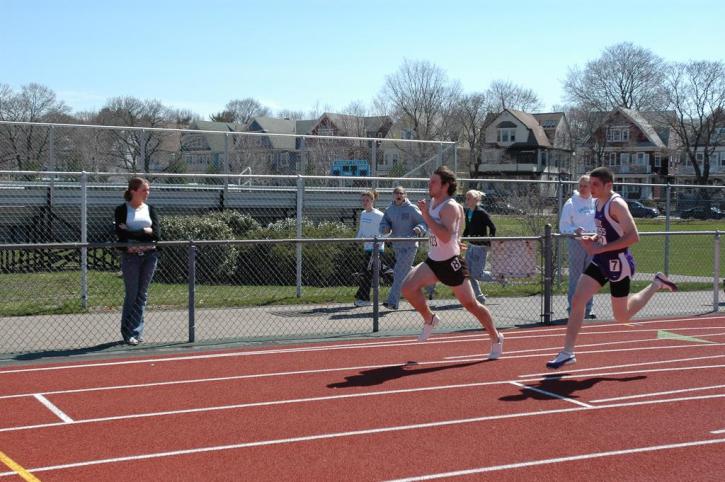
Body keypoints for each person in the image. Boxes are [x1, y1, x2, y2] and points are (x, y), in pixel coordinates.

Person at [547, 167, 677, 369]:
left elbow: (633, 236)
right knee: (577, 299)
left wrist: (601, 248)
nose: (591, 188)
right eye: (589, 184)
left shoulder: (616, 204)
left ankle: (655, 284)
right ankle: (567, 352)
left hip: (619, 263)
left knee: (621, 316)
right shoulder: (597, 202)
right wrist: (594, 238)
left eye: (595, 185)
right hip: (601, 260)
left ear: (609, 185)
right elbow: (606, 231)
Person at [401, 166, 504, 359]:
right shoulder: (433, 202)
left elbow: (445, 235)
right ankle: (430, 319)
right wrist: (457, 239)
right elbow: (455, 230)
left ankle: (496, 337)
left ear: (446, 186)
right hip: (433, 261)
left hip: (451, 264)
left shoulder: (450, 206)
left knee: (471, 305)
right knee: (407, 287)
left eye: (433, 182)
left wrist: (426, 216)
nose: (429, 185)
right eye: (430, 181)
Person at [114, 177, 160, 345]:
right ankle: (127, 333)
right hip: (131, 258)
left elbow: (157, 235)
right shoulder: (121, 210)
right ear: (133, 191)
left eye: (148, 190)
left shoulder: (150, 209)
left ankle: (137, 331)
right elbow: (121, 234)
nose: (147, 193)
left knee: (142, 295)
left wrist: (134, 232)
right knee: (132, 294)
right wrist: (144, 232)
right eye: (144, 190)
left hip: (150, 256)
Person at [378, 186, 427, 310]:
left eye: (401, 193)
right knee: (405, 271)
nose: (398, 195)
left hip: (410, 245)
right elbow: (384, 223)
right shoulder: (390, 209)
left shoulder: (411, 209)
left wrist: (419, 229)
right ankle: (427, 278)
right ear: (393, 196)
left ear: (405, 195)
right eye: (396, 193)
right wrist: (385, 228)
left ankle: (392, 302)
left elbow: (424, 222)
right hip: (397, 245)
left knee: (399, 273)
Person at [559, 175, 597, 319]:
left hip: (594, 243)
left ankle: (588, 310)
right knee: (576, 278)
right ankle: (574, 309)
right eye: (580, 185)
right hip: (577, 243)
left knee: (591, 278)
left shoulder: (596, 202)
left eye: (585, 185)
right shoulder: (571, 203)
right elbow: (563, 227)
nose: (582, 188)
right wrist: (575, 230)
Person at [462, 189, 497, 304]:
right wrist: (461, 240)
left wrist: (489, 241)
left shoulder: (481, 212)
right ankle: (479, 296)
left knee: (477, 274)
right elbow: (467, 229)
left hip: (480, 247)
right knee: (467, 273)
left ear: (476, 200)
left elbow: (493, 227)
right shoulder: (468, 212)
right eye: (466, 198)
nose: (466, 200)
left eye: (469, 198)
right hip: (471, 246)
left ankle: (499, 276)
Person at [354, 190, 385, 307]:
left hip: (376, 249)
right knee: (377, 270)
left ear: (372, 201)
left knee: (367, 272)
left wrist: (378, 242)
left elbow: (386, 231)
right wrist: (357, 239)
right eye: (363, 200)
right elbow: (362, 229)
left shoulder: (379, 215)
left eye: (367, 200)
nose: (365, 202)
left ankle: (363, 298)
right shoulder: (363, 214)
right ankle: (402, 279)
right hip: (366, 248)